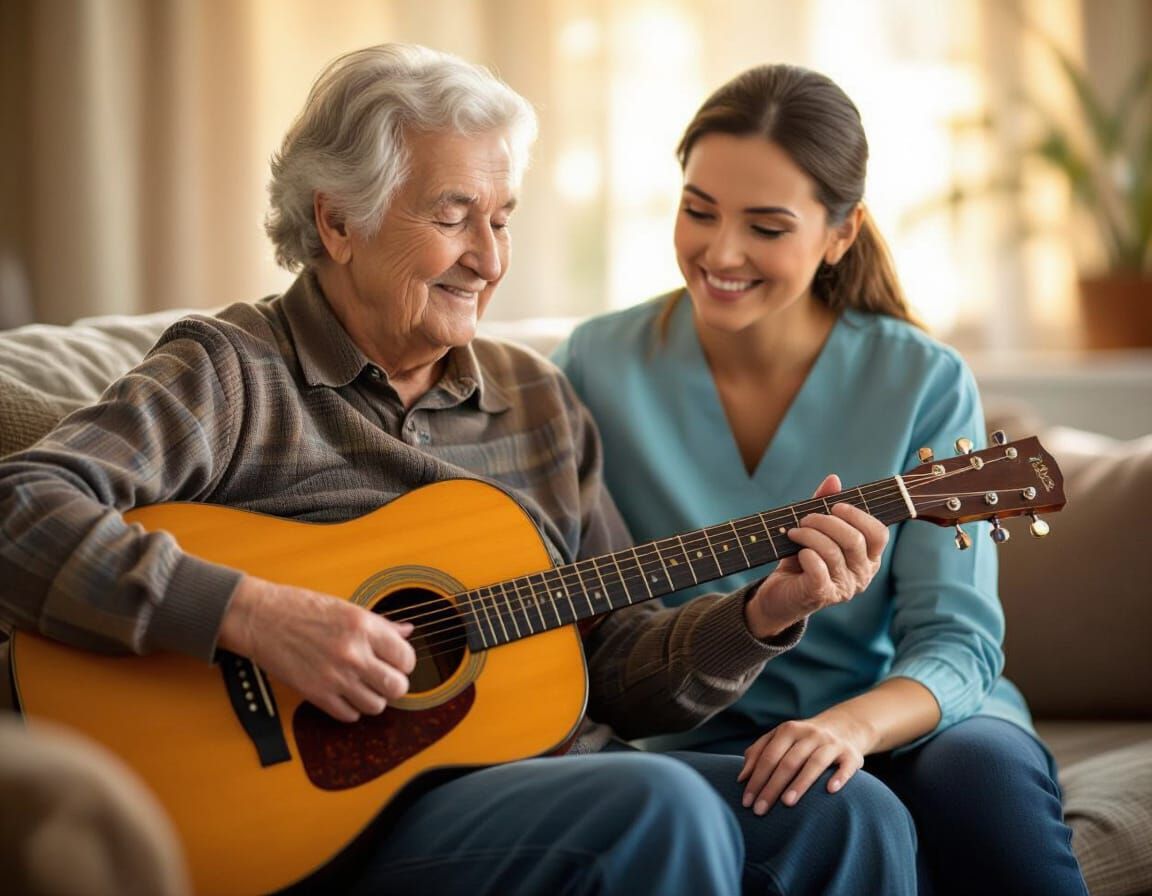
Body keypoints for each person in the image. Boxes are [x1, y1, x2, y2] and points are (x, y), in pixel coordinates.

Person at [0, 45, 917, 895]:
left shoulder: (539, 402)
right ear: (338, 220)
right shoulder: (232, 373)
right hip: (333, 818)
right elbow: (22, 505)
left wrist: (764, 615)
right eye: (452, 217)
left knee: (850, 815)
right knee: (656, 807)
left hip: (550, 780)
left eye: (502, 219)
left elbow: (620, 665)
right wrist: (251, 614)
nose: (488, 258)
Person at [553, 62, 1088, 896]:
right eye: (698, 211)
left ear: (841, 233)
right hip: (691, 733)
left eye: (767, 227)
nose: (720, 252)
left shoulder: (924, 378)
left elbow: (956, 640)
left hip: (894, 714)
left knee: (980, 777)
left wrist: (845, 729)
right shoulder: (594, 363)